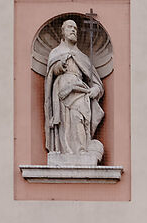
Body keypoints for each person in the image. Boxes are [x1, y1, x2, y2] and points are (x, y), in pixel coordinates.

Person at [44, 17, 105, 162]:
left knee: (79, 118)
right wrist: (59, 66)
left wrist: (96, 89)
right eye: (70, 27)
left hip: (80, 90)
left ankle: (81, 150)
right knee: (65, 120)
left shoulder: (82, 57)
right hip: (62, 89)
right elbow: (50, 73)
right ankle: (66, 151)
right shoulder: (56, 52)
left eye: (75, 28)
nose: (73, 30)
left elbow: (95, 81)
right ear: (63, 32)